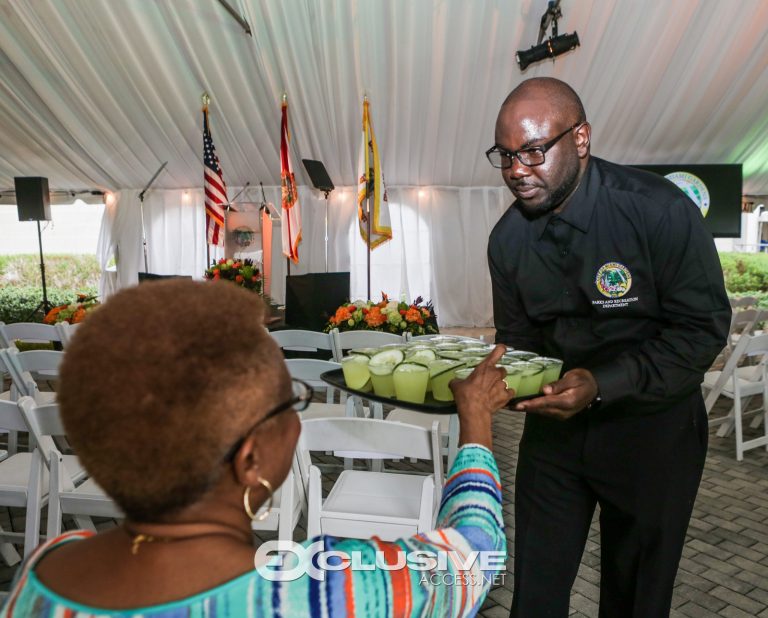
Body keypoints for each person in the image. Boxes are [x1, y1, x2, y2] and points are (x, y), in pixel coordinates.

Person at [2, 279, 513, 618]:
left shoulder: (46, 568)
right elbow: (474, 553)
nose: (295, 422)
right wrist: (475, 418)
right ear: (249, 460)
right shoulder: (319, 594)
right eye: (285, 403)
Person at [486, 77, 730, 617]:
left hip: (654, 433)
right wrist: (493, 384)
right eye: (504, 155)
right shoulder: (507, 241)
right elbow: (521, 342)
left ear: (580, 138)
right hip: (556, 435)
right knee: (536, 592)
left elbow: (702, 331)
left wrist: (603, 383)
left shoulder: (658, 212)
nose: (516, 170)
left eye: (532, 150)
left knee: (635, 593)